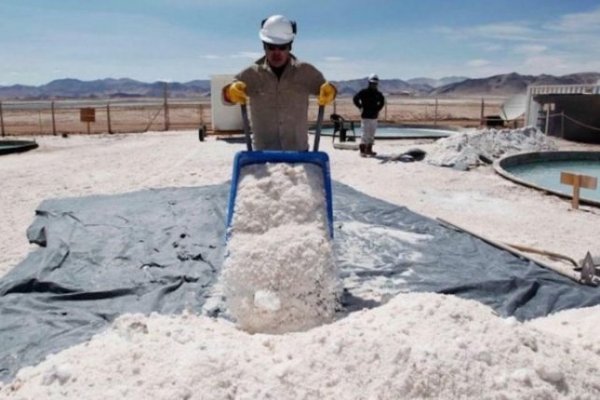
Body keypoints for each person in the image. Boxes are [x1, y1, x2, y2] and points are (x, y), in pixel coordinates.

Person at [222, 15, 337, 151]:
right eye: (271, 47)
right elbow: (225, 99)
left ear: (290, 46)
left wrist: (331, 92)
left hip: (298, 154)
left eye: (282, 47)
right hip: (263, 157)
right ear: (264, 46)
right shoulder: (251, 74)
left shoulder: (306, 72)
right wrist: (229, 93)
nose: (277, 53)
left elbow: (328, 90)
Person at [353, 74, 385, 157]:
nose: (374, 85)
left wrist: (378, 109)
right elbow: (355, 99)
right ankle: (362, 150)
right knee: (365, 133)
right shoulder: (364, 92)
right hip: (366, 116)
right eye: (372, 83)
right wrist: (360, 107)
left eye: (375, 83)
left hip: (374, 116)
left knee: (371, 134)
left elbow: (382, 102)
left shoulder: (378, 94)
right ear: (369, 83)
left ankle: (369, 150)